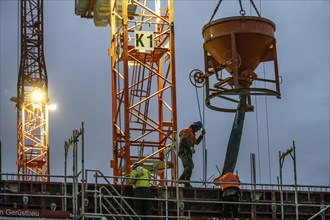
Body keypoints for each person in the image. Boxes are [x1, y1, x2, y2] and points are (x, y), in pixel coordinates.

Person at [178, 121, 205, 187]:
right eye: (197, 129)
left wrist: (202, 135)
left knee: (188, 167)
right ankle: (182, 179)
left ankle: (186, 182)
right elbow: (183, 139)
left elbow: (196, 142)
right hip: (184, 151)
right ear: (195, 127)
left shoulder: (192, 134)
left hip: (187, 152)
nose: (197, 131)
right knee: (190, 165)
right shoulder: (187, 131)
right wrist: (190, 147)